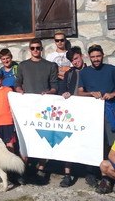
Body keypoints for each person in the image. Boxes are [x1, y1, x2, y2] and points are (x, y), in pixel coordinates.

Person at [15, 38, 58, 181]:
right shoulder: (23, 65)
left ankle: (40, 169)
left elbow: (54, 86)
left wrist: (50, 93)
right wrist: (20, 91)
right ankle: (22, 170)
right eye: (32, 48)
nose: (35, 50)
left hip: (44, 109)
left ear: (41, 49)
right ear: (29, 49)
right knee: (25, 139)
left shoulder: (51, 66)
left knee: (44, 139)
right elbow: (18, 84)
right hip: (27, 108)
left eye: (38, 48)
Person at [78, 44, 115, 189]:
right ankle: (97, 173)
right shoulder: (84, 73)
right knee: (96, 145)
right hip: (92, 114)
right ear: (89, 57)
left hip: (110, 112)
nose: (96, 59)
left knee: (110, 145)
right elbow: (80, 92)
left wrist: (112, 94)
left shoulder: (111, 70)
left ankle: (108, 177)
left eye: (98, 56)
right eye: (93, 57)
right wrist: (90, 93)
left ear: (103, 55)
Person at [58, 46, 87, 187]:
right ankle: (67, 174)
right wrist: (64, 93)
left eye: (76, 58)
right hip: (72, 114)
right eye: (72, 60)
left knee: (88, 142)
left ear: (82, 56)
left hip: (88, 113)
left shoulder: (91, 71)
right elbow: (62, 89)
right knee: (67, 143)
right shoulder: (69, 73)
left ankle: (90, 173)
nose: (75, 62)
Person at [46, 30, 72, 95]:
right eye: (57, 40)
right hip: (54, 84)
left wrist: (58, 72)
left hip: (67, 84)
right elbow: (48, 72)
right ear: (54, 41)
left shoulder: (70, 54)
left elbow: (72, 70)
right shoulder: (50, 56)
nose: (59, 42)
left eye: (62, 40)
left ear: (65, 40)